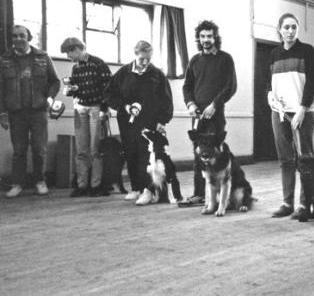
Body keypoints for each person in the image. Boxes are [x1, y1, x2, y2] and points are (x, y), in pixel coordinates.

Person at [104, 40, 174, 205]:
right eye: (142, 58)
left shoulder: (157, 74)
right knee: (130, 153)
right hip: (127, 121)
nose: (145, 62)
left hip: (149, 122)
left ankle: (147, 190)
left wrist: (162, 121)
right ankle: (135, 188)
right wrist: (124, 107)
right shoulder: (123, 73)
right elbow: (109, 93)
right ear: (135, 55)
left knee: (146, 156)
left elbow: (166, 100)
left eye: (148, 58)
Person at [180, 20, 237, 206]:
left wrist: (214, 104)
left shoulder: (225, 59)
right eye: (202, 36)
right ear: (199, 38)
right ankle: (199, 194)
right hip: (197, 117)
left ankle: (221, 195)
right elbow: (187, 86)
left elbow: (231, 86)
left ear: (215, 37)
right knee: (198, 154)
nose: (206, 40)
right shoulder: (195, 60)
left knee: (216, 155)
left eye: (209, 36)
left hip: (216, 115)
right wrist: (190, 105)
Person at [268, 13, 314, 219]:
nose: (290, 31)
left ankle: (304, 205)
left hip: (302, 113)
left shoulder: (307, 51)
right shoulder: (273, 54)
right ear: (279, 29)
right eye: (286, 27)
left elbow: (313, 82)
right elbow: (268, 81)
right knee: (285, 159)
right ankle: (287, 202)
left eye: (293, 27)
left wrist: (302, 108)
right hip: (279, 113)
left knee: (305, 158)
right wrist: (269, 95)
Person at [1, 25, 60, 198]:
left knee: (39, 148)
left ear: (29, 38)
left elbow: (55, 82)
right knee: (19, 150)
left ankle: (40, 182)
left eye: (21, 35)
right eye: (14, 36)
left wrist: (49, 99)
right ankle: (17, 184)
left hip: (38, 111)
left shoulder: (43, 57)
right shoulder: (4, 60)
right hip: (16, 112)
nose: (18, 39)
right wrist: (2, 113)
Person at [60, 37, 112, 197]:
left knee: (95, 149)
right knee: (81, 149)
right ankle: (82, 185)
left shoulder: (98, 63)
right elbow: (74, 89)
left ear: (77, 49)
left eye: (70, 54)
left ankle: (95, 185)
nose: (69, 58)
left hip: (96, 108)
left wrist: (104, 109)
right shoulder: (75, 68)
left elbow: (108, 87)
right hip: (79, 108)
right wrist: (70, 90)